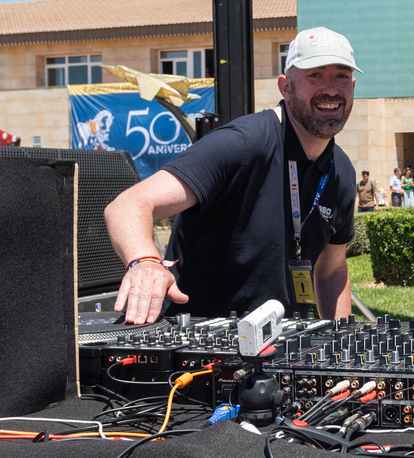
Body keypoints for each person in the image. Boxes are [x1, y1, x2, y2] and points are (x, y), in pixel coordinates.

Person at [104, 26, 361, 323]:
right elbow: (128, 204)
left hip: (280, 350)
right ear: (286, 87)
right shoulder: (241, 143)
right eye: (314, 75)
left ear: (353, 87)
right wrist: (145, 262)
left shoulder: (340, 170)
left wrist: (341, 347)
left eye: (341, 76)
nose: (331, 89)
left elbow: (332, 269)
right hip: (195, 346)